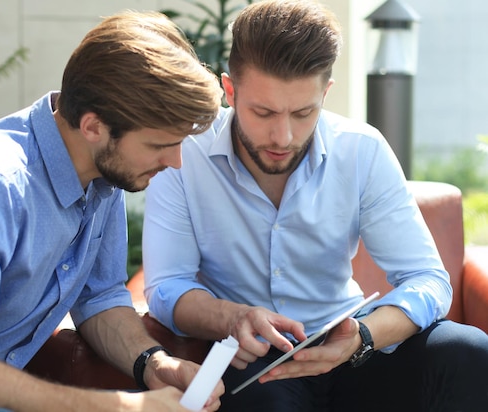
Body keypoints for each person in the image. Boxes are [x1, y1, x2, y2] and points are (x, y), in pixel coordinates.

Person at [0, 10, 225, 412]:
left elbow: (99, 297)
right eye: (159, 144)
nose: (175, 162)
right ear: (93, 127)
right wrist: (117, 406)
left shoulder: (104, 171)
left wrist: (152, 363)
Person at [142, 1, 488, 411]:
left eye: (304, 112)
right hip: (254, 361)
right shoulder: (185, 155)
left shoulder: (362, 150)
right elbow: (167, 286)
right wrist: (231, 317)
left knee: (469, 350)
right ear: (229, 91)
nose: (283, 136)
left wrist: (363, 334)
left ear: (325, 93)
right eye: (263, 112)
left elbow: (428, 280)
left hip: (353, 346)